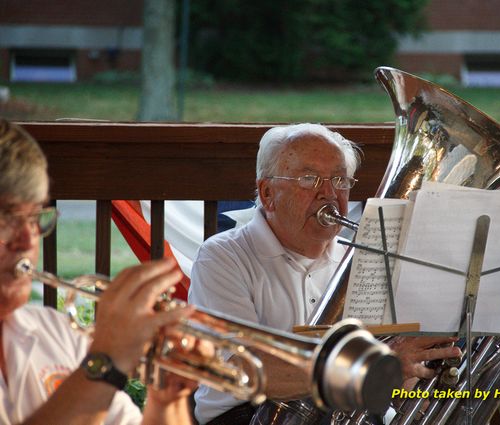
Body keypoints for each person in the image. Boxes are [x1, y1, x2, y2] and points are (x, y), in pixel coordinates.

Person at [189, 123, 461, 425]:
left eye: (340, 180)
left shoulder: (365, 258)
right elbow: (245, 368)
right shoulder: (222, 257)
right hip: (244, 416)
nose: (329, 193)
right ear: (268, 193)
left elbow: (395, 384)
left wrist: (412, 367)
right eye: (309, 179)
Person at [0, 119, 196, 425]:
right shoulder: (97, 363)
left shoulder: (55, 332)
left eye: (36, 218)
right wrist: (107, 360)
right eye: (8, 219)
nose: (28, 240)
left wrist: (167, 394)